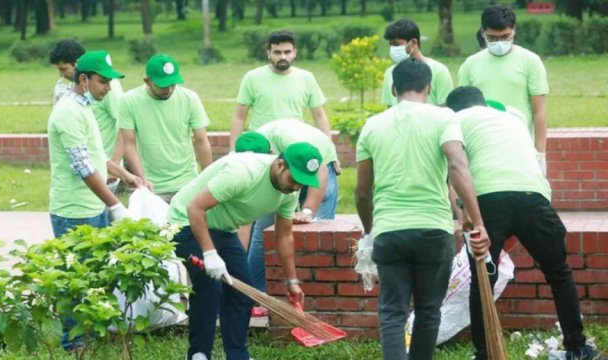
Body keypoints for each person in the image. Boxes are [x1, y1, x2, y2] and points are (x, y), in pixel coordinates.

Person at [445, 86, 597, 360]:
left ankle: (485, 353)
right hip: (533, 196)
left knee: (483, 279)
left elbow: (456, 172)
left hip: (487, 199)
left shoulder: (453, 122)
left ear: (453, 108)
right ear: (482, 102)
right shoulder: (512, 119)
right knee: (559, 273)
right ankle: (577, 347)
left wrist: (462, 216)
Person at [354, 59, 488, 360]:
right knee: (429, 311)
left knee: (392, 313)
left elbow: (362, 193)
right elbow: (457, 165)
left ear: (393, 89)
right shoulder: (443, 118)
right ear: (429, 87)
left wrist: (369, 231)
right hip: (433, 230)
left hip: (389, 231)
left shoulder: (373, 125)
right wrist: (476, 221)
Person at [168, 142, 322, 360]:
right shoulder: (243, 172)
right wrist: (210, 253)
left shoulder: (288, 191)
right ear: (279, 164)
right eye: (294, 179)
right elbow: (195, 207)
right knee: (210, 287)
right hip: (184, 222)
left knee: (243, 292)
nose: (297, 187)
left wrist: (292, 282)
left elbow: (284, 236)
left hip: (222, 228)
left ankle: (237, 355)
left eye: (302, 183)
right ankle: (198, 354)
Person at [47, 50, 142, 350]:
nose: (108, 88)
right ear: (84, 79)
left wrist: (123, 174)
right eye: (103, 82)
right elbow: (83, 166)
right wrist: (115, 204)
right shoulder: (67, 112)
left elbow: (96, 156)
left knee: (96, 274)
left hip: (93, 206)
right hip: (74, 211)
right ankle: (73, 344)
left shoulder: (85, 107)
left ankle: (92, 335)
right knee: (76, 278)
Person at [241, 119, 339, 295]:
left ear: (271, 154)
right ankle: (254, 293)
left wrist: (307, 211)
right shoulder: (248, 148)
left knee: (319, 232)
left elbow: (320, 170)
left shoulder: (295, 144)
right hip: (283, 171)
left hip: (321, 166)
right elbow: (243, 219)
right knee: (264, 233)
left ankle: (317, 294)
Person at [458, 5, 549, 175]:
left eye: (505, 36)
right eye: (492, 37)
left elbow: (539, 111)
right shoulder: (470, 65)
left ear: (514, 30)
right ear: (483, 32)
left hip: (521, 147)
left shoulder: (530, 61)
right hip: (482, 147)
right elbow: (463, 113)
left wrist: (540, 153)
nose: (499, 42)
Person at [119, 54, 212, 203]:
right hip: (152, 185)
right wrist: (142, 180)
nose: (169, 90)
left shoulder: (190, 98)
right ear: (147, 81)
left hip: (187, 182)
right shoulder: (129, 101)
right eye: (163, 85)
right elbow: (129, 144)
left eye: (173, 84)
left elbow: (201, 141)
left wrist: (208, 179)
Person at [229, 30, 331, 150]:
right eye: (277, 52)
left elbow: (319, 117)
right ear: (269, 54)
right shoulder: (252, 78)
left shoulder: (306, 78)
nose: (283, 56)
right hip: (261, 147)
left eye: (287, 52)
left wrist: (330, 150)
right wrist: (233, 151)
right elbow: (239, 117)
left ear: (294, 53)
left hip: (294, 146)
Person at [49, 40, 125, 176]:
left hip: (105, 169)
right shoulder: (72, 96)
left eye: (63, 69)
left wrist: (115, 167)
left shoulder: (107, 90)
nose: (61, 75)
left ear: (77, 65)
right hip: (87, 170)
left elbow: (125, 127)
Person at [381, 19, 453, 107]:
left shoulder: (439, 71)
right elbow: (390, 110)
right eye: (391, 44)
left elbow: (445, 109)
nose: (393, 48)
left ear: (413, 43)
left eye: (397, 44)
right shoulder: (390, 72)